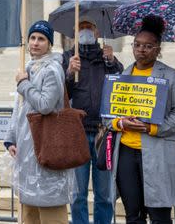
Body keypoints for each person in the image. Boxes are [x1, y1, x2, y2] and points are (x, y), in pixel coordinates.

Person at [106, 15, 175, 224]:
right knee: (133, 214)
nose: (141, 50)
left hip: (157, 150)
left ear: (158, 49)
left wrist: (151, 128)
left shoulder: (171, 76)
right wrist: (120, 123)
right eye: (137, 45)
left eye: (148, 46)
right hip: (126, 150)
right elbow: (108, 115)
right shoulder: (123, 74)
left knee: (160, 215)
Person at [5, 20, 72, 224]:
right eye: (32, 38)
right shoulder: (28, 67)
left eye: (41, 39)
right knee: (29, 213)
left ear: (49, 44)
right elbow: (20, 108)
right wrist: (11, 139)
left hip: (47, 146)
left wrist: (23, 83)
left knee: (50, 209)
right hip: (27, 149)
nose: (35, 43)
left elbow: (45, 105)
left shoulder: (52, 69)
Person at [62, 17, 123, 224]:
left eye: (89, 27)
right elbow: (60, 94)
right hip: (76, 133)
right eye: (81, 27)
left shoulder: (106, 57)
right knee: (77, 194)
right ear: (74, 32)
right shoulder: (68, 57)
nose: (85, 30)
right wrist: (69, 72)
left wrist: (112, 62)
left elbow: (121, 87)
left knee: (104, 194)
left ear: (97, 32)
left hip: (103, 133)